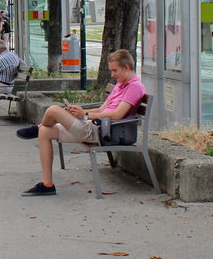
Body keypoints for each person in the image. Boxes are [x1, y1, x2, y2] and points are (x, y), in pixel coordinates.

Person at [18, 49, 146, 196]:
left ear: (127, 67)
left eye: (115, 70)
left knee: (53, 110)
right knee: (45, 132)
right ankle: (47, 185)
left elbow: (117, 115)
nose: (112, 75)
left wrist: (84, 115)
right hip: (92, 125)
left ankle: (37, 127)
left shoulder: (135, 87)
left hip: (101, 131)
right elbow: (101, 109)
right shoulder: (120, 84)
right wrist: (81, 111)